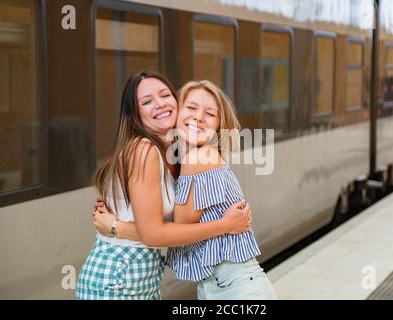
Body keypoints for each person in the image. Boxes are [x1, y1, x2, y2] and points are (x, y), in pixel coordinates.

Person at [93, 79, 276, 300]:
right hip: (225, 285)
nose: (198, 117)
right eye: (191, 108)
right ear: (178, 112)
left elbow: (171, 233)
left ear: (219, 125)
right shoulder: (185, 161)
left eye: (210, 114)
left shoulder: (199, 157)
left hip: (236, 288)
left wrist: (118, 227)